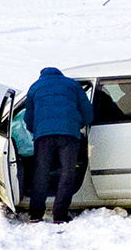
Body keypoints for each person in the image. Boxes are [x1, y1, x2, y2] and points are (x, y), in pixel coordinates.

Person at [24, 67, 94, 224]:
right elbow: (88, 112)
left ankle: (35, 214)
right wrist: (76, 125)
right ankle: (60, 215)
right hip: (69, 134)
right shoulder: (72, 85)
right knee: (67, 173)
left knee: (41, 173)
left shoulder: (35, 87)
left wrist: (38, 130)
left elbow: (28, 118)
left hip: (43, 137)